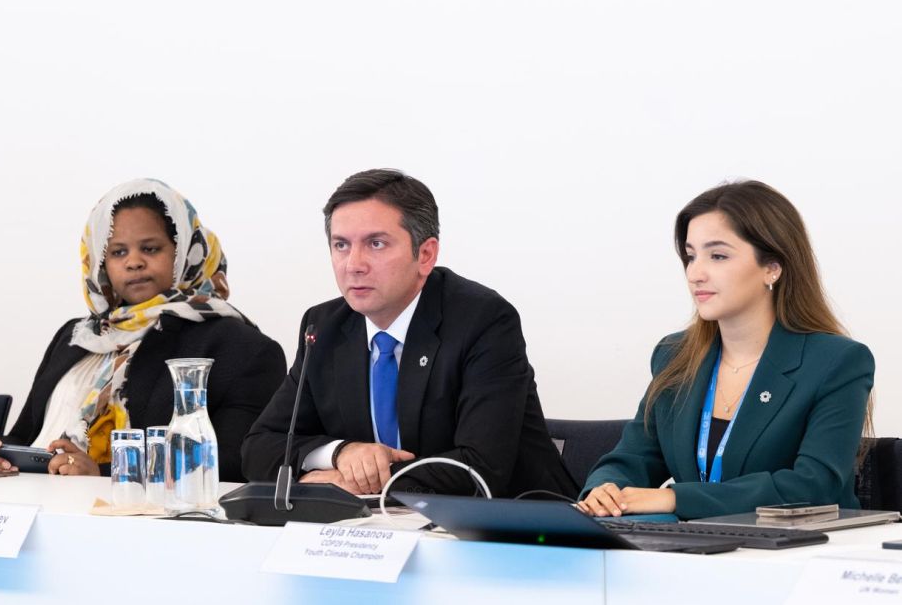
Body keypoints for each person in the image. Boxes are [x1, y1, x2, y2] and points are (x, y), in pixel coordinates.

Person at [241, 169, 577, 498]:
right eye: (341, 245)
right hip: (376, 526)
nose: (353, 264)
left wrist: (361, 481)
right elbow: (258, 448)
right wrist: (340, 453)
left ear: (426, 255)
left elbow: (480, 468)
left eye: (376, 244)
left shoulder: (483, 321)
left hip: (517, 523)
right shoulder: (325, 327)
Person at [578, 181, 874, 519]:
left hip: (802, 545)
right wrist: (605, 489)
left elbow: (813, 486)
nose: (695, 273)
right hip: (696, 542)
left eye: (717, 256)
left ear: (772, 268)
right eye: (691, 256)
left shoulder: (837, 362)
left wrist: (675, 499)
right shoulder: (675, 355)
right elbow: (633, 458)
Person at [0, 179, 286, 482]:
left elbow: (237, 463)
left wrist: (102, 473)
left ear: (184, 250)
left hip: (131, 509)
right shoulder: (76, 337)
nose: (134, 262)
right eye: (118, 252)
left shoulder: (242, 348)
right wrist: (2, 455)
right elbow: (26, 434)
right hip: (32, 499)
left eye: (150, 249)